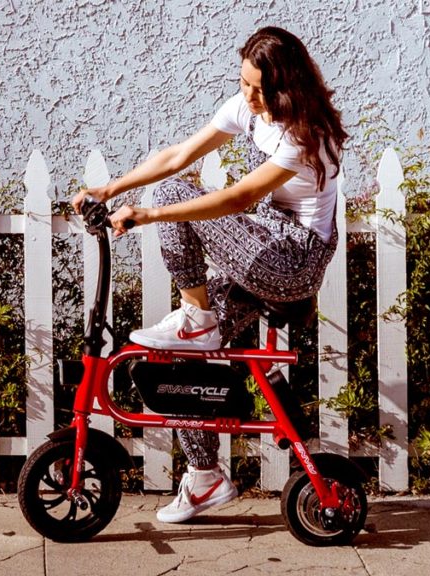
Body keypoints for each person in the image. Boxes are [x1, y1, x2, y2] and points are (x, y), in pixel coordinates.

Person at [70, 26, 347, 523]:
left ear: (288, 88)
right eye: (244, 84)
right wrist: (110, 189)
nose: (250, 96)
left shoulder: (306, 134)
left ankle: (198, 316)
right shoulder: (248, 108)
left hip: (295, 259)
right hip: (266, 243)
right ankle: (205, 478)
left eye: (261, 90)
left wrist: (148, 216)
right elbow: (178, 154)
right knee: (173, 357)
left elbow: (239, 198)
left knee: (174, 197)